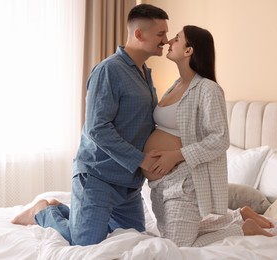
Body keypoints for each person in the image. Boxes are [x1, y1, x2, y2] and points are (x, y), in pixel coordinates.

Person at [11, 4, 169, 246]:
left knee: (133, 241)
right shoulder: (109, 70)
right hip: (98, 177)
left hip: (129, 184)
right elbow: (97, 128)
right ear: (139, 34)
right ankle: (42, 212)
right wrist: (140, 159)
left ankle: (74, 212)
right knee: (84, 241)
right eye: (161, 34)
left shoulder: (145, 72)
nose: (166, 41)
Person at [142, 25, 273, 247]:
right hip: (159, 185)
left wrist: (175, 156)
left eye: (177, 38)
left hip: (183, 182)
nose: (169, 42)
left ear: (188, 50)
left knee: (177, 246)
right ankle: (238, 215)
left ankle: (243, 229)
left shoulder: (208, 89)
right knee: (169, 238)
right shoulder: (175, 85)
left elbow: (220, 139)